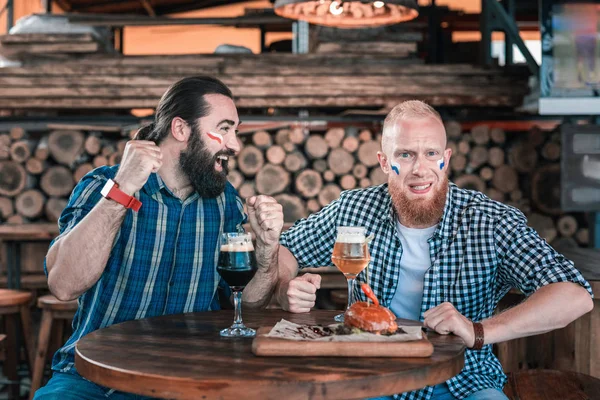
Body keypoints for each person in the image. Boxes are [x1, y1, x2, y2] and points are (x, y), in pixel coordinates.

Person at [275, 100, 594, 400]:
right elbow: (286, 248)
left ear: (447, 158)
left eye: (431, 153)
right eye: (405, 155)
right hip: (371, 376)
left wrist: (478, 331)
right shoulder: (354, 208)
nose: (420, 169)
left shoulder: (489, 220)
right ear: (384, 162)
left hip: (464, 380)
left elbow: (574, 295)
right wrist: (285, 287)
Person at [34, 76, 283, 399]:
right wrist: (122, 191)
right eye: (224, 129)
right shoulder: (104, 186)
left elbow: (249, 303)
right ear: (180, 130)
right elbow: (64, 285)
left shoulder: (226, 203)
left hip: (185, 381)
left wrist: (266, 250)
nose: (234, 145)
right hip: (90, 378)